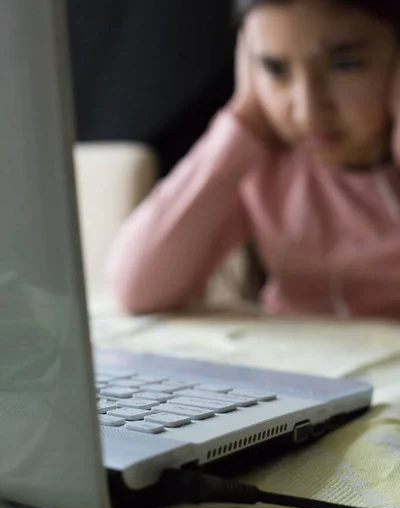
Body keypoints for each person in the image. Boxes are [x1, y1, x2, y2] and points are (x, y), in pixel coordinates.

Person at [106, 0, 400, 320]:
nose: (307, 111)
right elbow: (137, 288)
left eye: (346, 64)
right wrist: (241, 121)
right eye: (275, 68)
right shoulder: (259, 161)